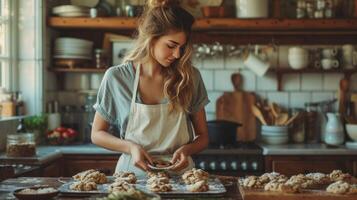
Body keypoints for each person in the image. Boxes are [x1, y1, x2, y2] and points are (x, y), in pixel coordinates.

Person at [91, 0, 209, 177]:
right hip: (132, 179)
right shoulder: (117, 78)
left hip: (181, 179)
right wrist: (131, 147)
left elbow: (203, 137)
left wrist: (187, 150)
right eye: (171, 45)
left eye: (182, 48)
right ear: (151, 39)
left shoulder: (189, 77)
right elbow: (97, 133)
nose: (177, 55)